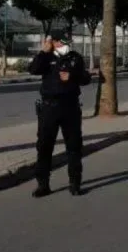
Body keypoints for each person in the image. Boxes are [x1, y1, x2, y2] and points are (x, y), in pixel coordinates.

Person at [28, 31, 92, 198]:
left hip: (70, 107)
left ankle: (75, 183)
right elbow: (33, 69)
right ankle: (43, 184)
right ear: (53, 42)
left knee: (74, 147)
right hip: (49, 108)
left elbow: (86, 78)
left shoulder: (74, 57)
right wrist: (43, 52)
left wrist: (73, 76)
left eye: (67, 40)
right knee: (44, 147)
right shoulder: (46, 58)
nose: (66, 43)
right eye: (62, 41)